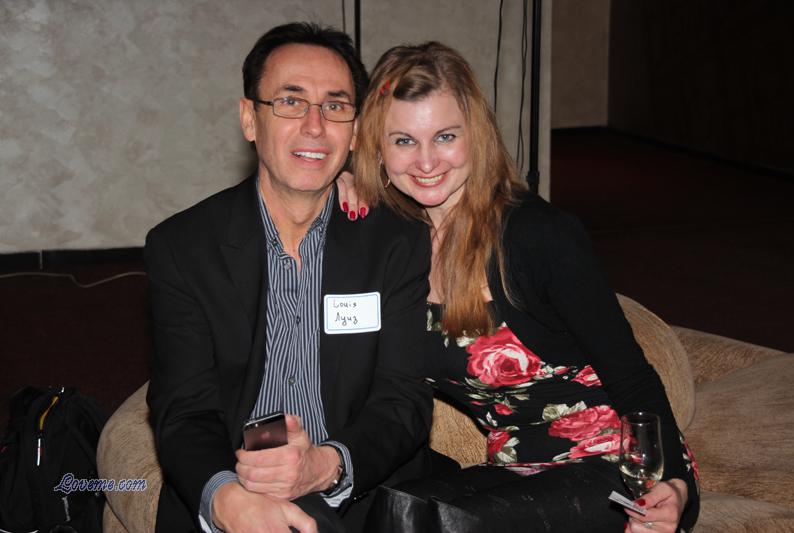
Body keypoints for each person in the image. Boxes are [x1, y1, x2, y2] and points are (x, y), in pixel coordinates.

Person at [347, 41, 700, 532]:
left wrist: (676, 485)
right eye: (404, 140)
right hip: (515, 474)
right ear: (376, 148)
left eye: (445, 136)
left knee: (430, 521)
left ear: (476, 135)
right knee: (383, 509)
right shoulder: (392, 244)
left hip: (611, 471)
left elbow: (632, 374)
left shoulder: (537, 234)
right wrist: (336, 185)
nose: (426, 162)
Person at [144, 23, 436, 533]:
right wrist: (228, 501)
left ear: (355, 130)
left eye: (335, 106)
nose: (315, 126)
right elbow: (184, 409)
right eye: (291, 102)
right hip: (237, 478)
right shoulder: (184, 247)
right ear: (249, 119)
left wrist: (326, 465)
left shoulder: (394, 241)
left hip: (358, 485)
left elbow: (403, 399)